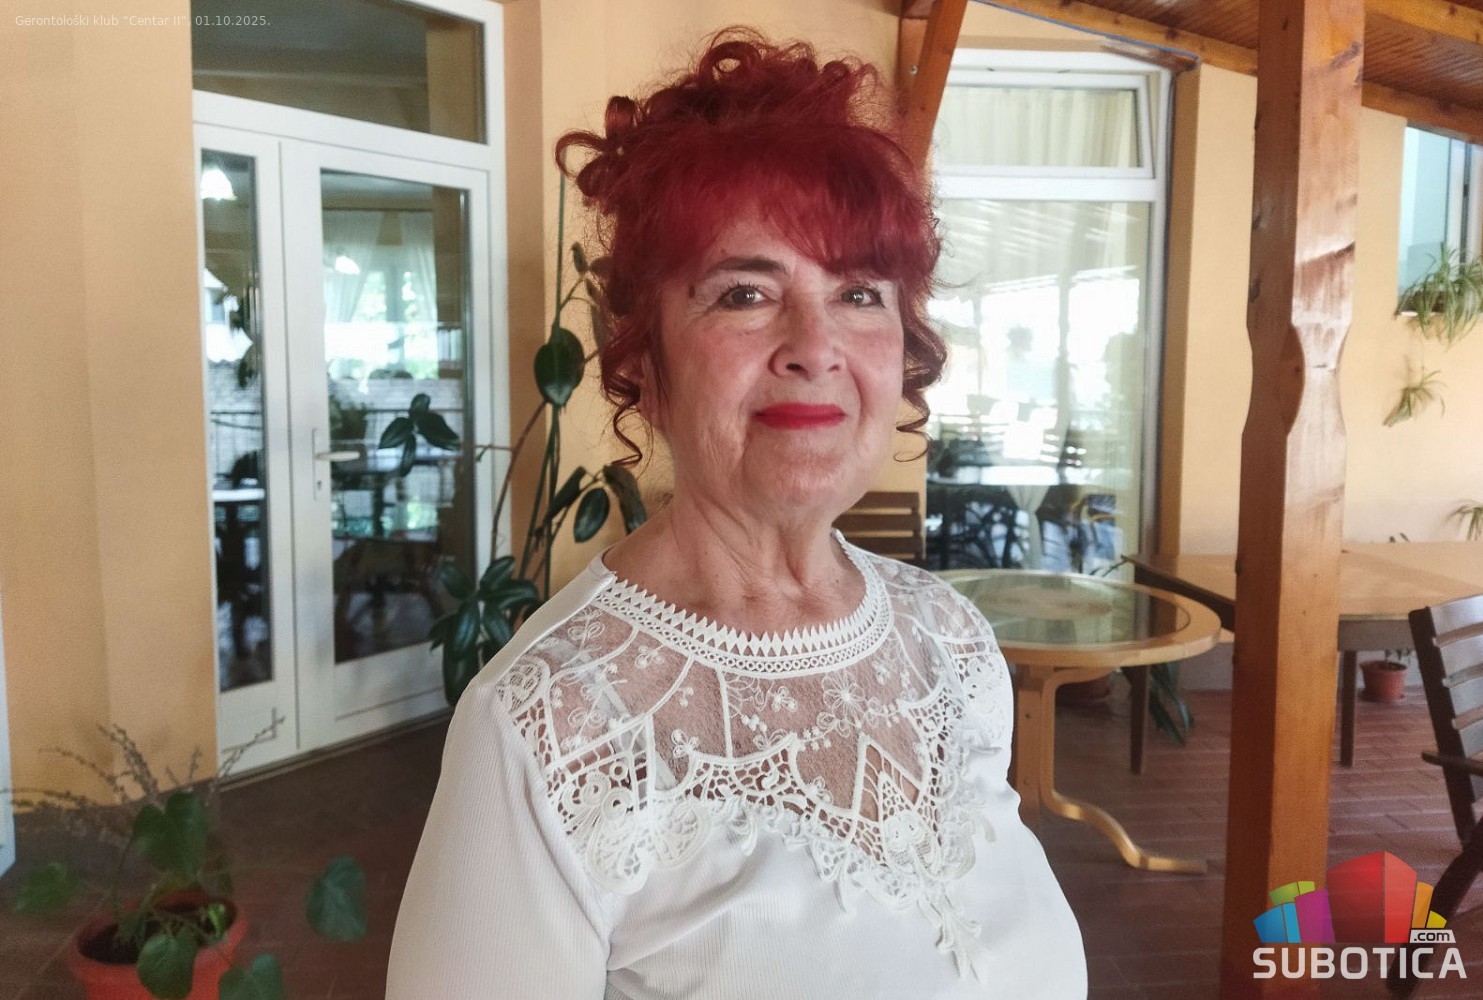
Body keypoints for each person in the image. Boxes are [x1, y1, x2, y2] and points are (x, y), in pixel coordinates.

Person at [387, 30, 1085, 1000]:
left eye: (859, 293)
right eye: (745, 292)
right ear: (644, 362)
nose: (815, 345)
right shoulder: (546, 728)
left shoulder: (953, 644)